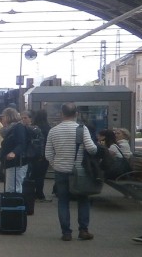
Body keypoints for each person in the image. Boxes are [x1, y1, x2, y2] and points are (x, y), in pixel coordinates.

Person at [43, 102, 98, 242]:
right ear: (76, 114)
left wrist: (56, 165)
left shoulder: (53, 130)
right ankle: (83, 230)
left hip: (60, 171)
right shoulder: (82, 129)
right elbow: (92, 149)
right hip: (79, 172)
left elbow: (48, 153)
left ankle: (66, 232)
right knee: (83, 200)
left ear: (61, 114)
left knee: (63, 201)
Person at [0, 108, 28, 193]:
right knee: (12, 187)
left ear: (8, 117)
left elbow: (22, 143)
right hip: (11, 163)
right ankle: (13, 204)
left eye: (3, 117)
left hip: (17, 163)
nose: (2, 119)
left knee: (13, 189)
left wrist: (13, 152)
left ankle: (15, 205)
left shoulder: (18, 128)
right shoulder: (11, 129)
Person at [25, 108, 49, 205]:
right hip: (44, 155)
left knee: (32, 174)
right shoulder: (48, 128)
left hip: (33, 154)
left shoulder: (33, 128)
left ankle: (31, 192)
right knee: (41, 175)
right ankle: (39, 193)